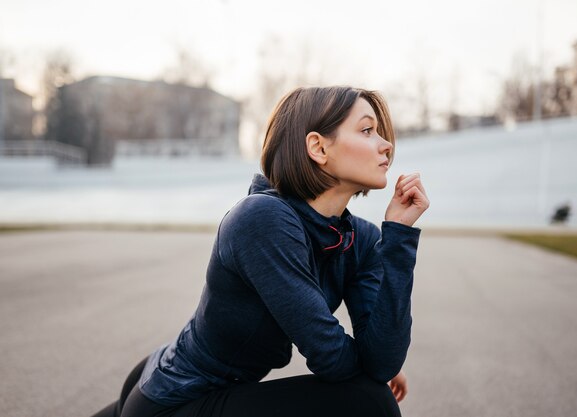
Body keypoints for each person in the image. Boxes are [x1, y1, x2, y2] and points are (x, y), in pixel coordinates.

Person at [92, 86, 429, 417]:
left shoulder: (362, 240)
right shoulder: (261, 219)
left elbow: (384, 361)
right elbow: (334, 359)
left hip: (203, 387)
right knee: (369, 402)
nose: (386, 145)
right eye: (368, 130)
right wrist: (369, 363)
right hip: (176, 397)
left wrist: (398, 237)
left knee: (370, 392)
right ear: (318, 147)